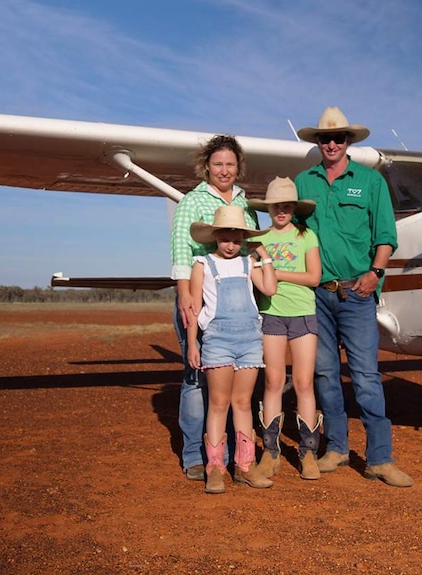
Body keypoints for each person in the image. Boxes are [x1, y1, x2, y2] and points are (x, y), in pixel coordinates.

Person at [294, 106, 413, 487]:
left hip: (357, 294)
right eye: (324, 138)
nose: (331, 143)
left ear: (348, 142)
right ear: (317, 142)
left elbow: (385, 236)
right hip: (316, 294)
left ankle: (379, 458)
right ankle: (338, 449)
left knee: (365, 377)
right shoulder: (301, 182)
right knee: (326, 375)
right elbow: (291, 235)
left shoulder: (371, 181)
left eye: (338, 138)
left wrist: (374, 274)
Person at [170, 135, 258, 482]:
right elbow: (180, 250)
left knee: (235, 386)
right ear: (207, 166)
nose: (224, 170)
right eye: (218, 164)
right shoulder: (192, 202)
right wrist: (184, 295)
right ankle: (195, 455)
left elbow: (249, 248)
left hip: (237, 307)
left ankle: (238, 458)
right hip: (200, 292)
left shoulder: (244, 202)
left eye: (230, 165)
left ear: (238, 168)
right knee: (195, 380)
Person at [185, 205, 278, 494]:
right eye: (225, 238)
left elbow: (271, 288)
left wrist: (264, 255)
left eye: (237, 239)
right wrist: (192, 343)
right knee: (218, 403)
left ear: (243, 239)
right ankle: (215, 468)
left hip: (250, 339)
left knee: (242, 403)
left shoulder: (248, 263)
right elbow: (194, 308)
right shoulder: (202, 264)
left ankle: (245, 466)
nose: (230, 245)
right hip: (218, 340)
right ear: (215, 237)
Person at [248, 177, 323, 481]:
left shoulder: (307, 236)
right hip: (271, 314)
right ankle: (271, 452)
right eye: (277, 206)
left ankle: (308, 452)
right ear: (269, 208)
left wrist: (276, 271)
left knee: (304, 383)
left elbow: (314, 278)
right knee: (274, 382)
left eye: (287, 205)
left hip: (303, 313)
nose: (282, 210)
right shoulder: (258, 240)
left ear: (294, 208)